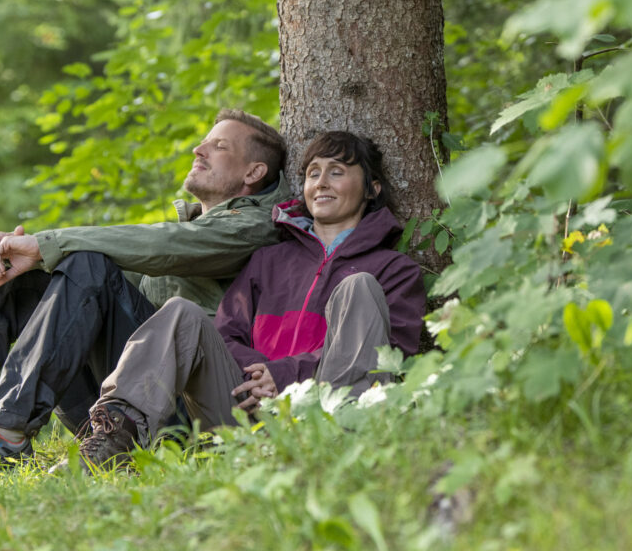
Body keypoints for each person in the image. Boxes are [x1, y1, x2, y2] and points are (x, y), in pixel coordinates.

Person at [0, 108, 289, 474]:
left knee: (86, 261)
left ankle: (6, 434)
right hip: (125, 404)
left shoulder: (258, 225)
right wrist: (34, 261)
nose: (198, 150)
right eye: (203, 142)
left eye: (218, 146)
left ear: (254, 172)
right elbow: (105, 290)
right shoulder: (194, 226)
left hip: (186, 411)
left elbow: (165, 247)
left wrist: (46, 244)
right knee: (20, 280)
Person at [70, 130, 426, 469]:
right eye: (313, 173)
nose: (321, 182)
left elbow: (386, 359)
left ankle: (337, 454)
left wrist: (285, 374)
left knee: (358, 286)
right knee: (181, 312)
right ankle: (112, 439)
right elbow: (226, 333)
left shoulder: (394, 271)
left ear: (371, 189)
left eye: (337, 172)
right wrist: (260, 374)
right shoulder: (269, 259)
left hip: (327, 419)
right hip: (243, 417)